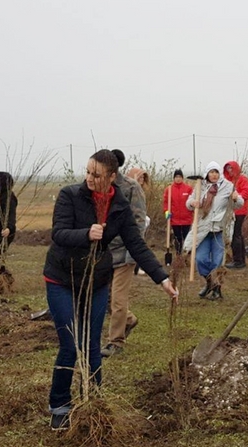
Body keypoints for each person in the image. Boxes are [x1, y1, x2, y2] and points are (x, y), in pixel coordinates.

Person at [44, 149, 177, 430]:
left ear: (112, 177)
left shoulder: (119, 206)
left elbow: (136, 243)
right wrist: (86, 233)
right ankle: (60, 405)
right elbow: (58, 233)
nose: (90, 178)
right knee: (70, 343)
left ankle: (93, 402)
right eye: (88, 172)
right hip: (62, 279)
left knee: (92, 344)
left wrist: (161, 278)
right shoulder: (70, 195)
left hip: (97, 280)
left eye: (97, 174)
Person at [101, 149, 147, 357]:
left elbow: (138, 221)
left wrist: (133, 250)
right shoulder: (99, 186)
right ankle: (129, 320)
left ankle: (116, 342)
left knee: (118, 299)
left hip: (125, 251)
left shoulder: (130, 187)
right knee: (107, 297)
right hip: (104, 251)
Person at [184, 161, 243, 300]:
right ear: (207, 174)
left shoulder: (227, 187)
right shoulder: (201, 186)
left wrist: (235, 198)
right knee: (200, 259)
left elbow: (239, 204)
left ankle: (217, 290)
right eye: (211, 172)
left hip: (220, 230)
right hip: (204, 230)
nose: (214, 175)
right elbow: (189, 203)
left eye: (216, 172)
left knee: (218, 263)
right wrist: (193, 203)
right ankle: (210, 283)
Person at [223, 161, 248, 269]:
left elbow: (246, 193)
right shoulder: (227, 181)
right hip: (230, 211)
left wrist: (236, 196)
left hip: (239, 211)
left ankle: (238, 261)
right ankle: (240, 259)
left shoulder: (242, 179)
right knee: (238, 235)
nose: (230, 170)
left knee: (235, 235)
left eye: (231, 168)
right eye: (228, 168)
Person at [162, 169, 194, 255]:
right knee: (177, 238)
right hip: (175, 219)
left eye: (180, 177)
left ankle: (187, 255)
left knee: (187, 238)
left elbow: (192, 202)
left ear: (182, 178)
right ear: (174, 178)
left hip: (186, 219)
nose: (178, 179)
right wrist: (166, 213)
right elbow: (165, 202)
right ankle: (178, 254)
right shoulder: (169, 189)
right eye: (176, 177)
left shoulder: (188, 189)